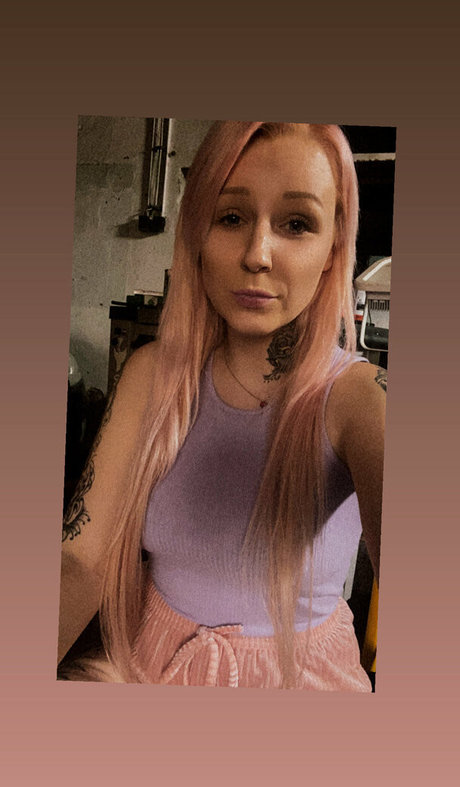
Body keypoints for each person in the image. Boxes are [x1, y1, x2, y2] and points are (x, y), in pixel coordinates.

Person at [58, 120, 385, 690]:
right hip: (149, 666)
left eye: (296, 224)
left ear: (333, 249)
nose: (257, 254)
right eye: (231, 217)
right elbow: (79, 562)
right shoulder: (150, 374)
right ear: (198, 233)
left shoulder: (360, 399)